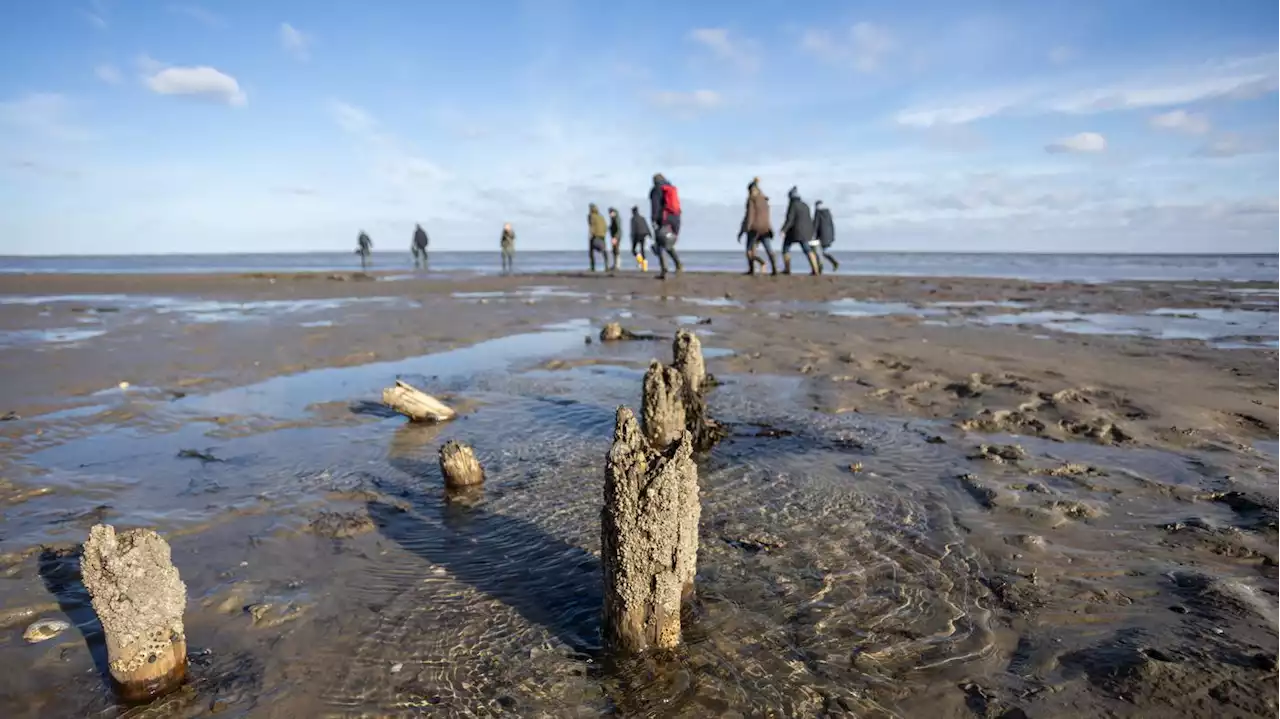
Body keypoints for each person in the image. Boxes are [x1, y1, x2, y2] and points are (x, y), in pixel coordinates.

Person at [737, 177, 777, 276]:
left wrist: (744, 230)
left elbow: (749, 215)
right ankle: (775, 269)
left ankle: (755, 267)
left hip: (754, 228)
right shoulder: (764, 199)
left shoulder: (751, 200)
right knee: (769, 249)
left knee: (749, 251)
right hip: (766, 228)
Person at [778, 186, 820, 276]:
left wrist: (783, 230)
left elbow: (790, 219)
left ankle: (787, 269)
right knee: (807, 250)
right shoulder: (805, 205)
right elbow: (809, 219)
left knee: (785, 249)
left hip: (794, 232)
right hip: (805, 232)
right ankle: (815, 269)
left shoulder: (792, 205)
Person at [649, 173, 683, 279]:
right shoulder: (670, 189)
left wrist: (654, 219)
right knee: (667, 243)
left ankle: (664, 270)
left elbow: (655, 206)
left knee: (660, 243)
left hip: (664, 219)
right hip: (676, 218)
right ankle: (678, 264)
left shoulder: (656, 190)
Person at [813, 200, 839, 272]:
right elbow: (831, 226)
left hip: (819, 236)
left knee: (816, 252)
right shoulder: (828, 214)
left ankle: (820, 267)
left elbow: (815, 224)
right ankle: (833, 262)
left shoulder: (818, 213)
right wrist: (832, 236)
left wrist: (812, 234)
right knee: (823, 252)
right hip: (828, 236)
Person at [587, 203, 609, 272]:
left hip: (595, 236)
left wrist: (591, 234)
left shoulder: (591, 216)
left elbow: (591, 226)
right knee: (604, 252)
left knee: (591, 252)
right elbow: (605, 227)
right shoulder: (601, 217)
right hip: (602, 236)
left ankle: (593, 267)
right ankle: (606, 266)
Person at [629, 206, 651, 272]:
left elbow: (633, 229)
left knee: (633, 250)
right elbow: (647, 226)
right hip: (643, 234)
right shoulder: (642, 218)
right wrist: (650, 234)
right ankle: (645, 267)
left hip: (636, 235)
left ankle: (640, 261)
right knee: (642, 250)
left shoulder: (633, 219)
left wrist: (632, 237)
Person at [607, 207, 623, 272]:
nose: (610, 214)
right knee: (614, 250)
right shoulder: (613, 218)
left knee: (616, 250)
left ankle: (617, 265)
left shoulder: (616, 218)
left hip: (616, 236)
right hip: (615, 236)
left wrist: (615, 237)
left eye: (610, 213)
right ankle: (615, 264)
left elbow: (618, 228)